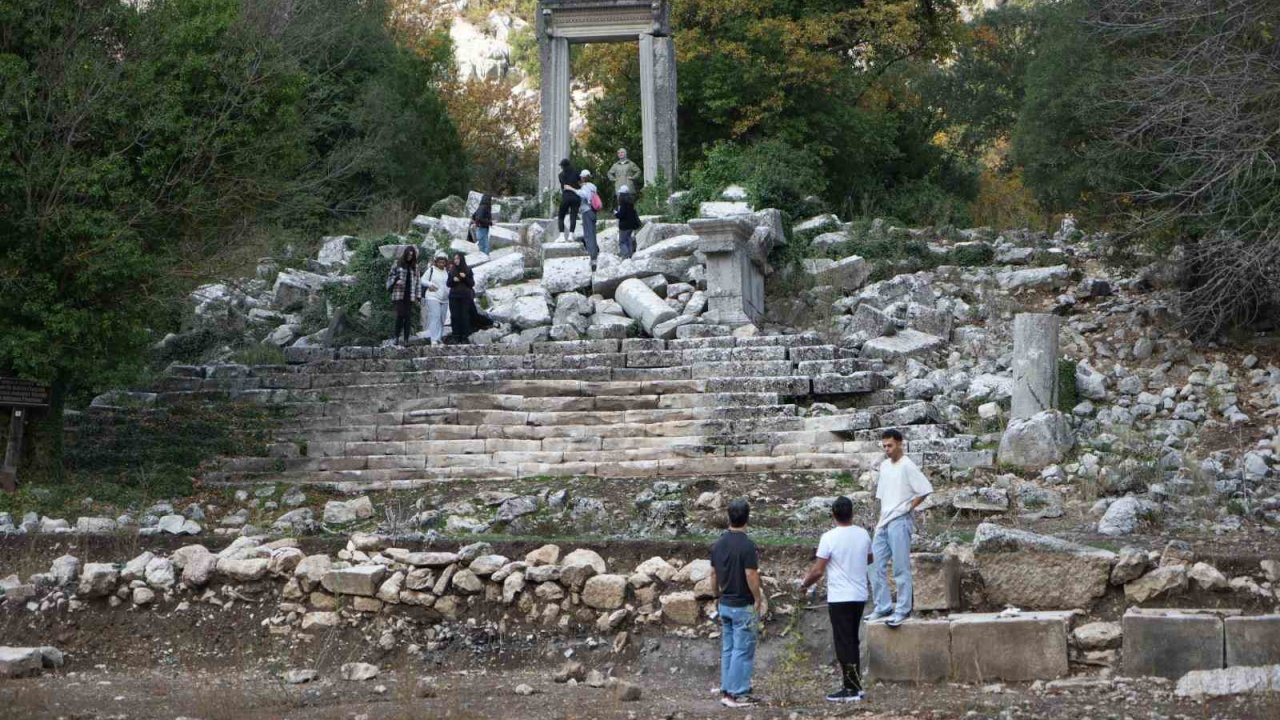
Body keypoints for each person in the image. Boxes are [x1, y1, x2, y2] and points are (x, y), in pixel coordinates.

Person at [799, 496, 873, 703]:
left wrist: (804, 585)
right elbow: (870, 558)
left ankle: (850, 688)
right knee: (852, 639)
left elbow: (818, 570)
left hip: (840, 596)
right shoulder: (863, 534)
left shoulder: (829, 537)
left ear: (833, 514)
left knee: (843, 642)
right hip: (859, 595)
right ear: (852, 514)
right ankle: (855, 685)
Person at [868, 428, 933, 627]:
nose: (887, 449)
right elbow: (883, 496)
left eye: (890, 445)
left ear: (899, 443)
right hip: (884, 521)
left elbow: (925, 489)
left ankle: (903, 609)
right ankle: (883, 606)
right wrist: (880, 521)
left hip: (900, 521)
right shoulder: (885, 466)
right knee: (873, 564)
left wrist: (907, 508)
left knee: (900, 567)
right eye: (885, 446)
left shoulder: (908, 466)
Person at [710, 498, 767, 709]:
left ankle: (727, 687)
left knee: (729, 648)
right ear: (747, 517)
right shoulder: (747, 545)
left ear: (729, 516)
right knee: (742, 650)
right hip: (742, 603)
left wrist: (716, 595)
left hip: (724, 602)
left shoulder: (718, 544)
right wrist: (758, 597)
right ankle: (737, 693)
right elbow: (750, 574)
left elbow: (713, 574)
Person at [385, 245, 421, 346]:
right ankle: (396, 337)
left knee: (408, 317)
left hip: (410, 295)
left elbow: (418, 282)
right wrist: (396, 280)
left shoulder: (415, 266)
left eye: (412, 255)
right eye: (408, 254)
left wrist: (418, 296)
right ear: (405, 254)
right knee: (400, 315)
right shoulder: (397, 263)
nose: (410, 256)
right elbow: (390, 277)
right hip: (399, 294)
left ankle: (406, 339)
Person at [571, 169, 601, 266]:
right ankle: (594, 252)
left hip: (587, 211)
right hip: (593, 211)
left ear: (583, 178)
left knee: (588, 234)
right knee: (592, 232)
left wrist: (573, 190)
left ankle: (592, 255)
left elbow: (584, 195)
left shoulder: (586, 187)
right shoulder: (593, 186)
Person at [421, 251, 450, 345]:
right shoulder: (431, 270)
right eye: (439, 261)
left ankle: (439, 338)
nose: (441, 263)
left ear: (446, 262)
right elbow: (422, 280)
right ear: (436, 262)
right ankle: (433, 339)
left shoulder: (447, 271)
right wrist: (430, 284)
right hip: (432, 296)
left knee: (442, 318)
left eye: (443, 262)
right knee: (435, 316)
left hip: (445, 299)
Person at [446, 251, 475, 344]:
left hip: (465, 296)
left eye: (458, 258)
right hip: (454, 296)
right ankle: (456, 336)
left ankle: (464, 336)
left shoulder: (468, 270)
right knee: (454, 316)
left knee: (464, 316)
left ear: (462, 259)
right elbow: (448, 284)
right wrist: (453, 280)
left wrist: (465, 277)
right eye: (455, 259)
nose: (456, 260)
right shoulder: (452, 270)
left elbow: (472, 283)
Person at [556, 158, 580, 244]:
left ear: (562, 166)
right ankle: (571, 235)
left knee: (561, 216)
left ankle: (562, 236)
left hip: (566, 196)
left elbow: (563, 187)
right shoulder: (576, 172)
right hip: (576, 197)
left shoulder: (560, 175)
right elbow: (580, 182)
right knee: (573, 216)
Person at [614, 185, 642, 259]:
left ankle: (626, 255)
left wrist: (616, 213)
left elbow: (621, 215)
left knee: (622, 241)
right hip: (631, 225)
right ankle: (630, 254)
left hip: (624, 226)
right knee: (628, 239)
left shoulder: (623, 204)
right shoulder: (630, 202)